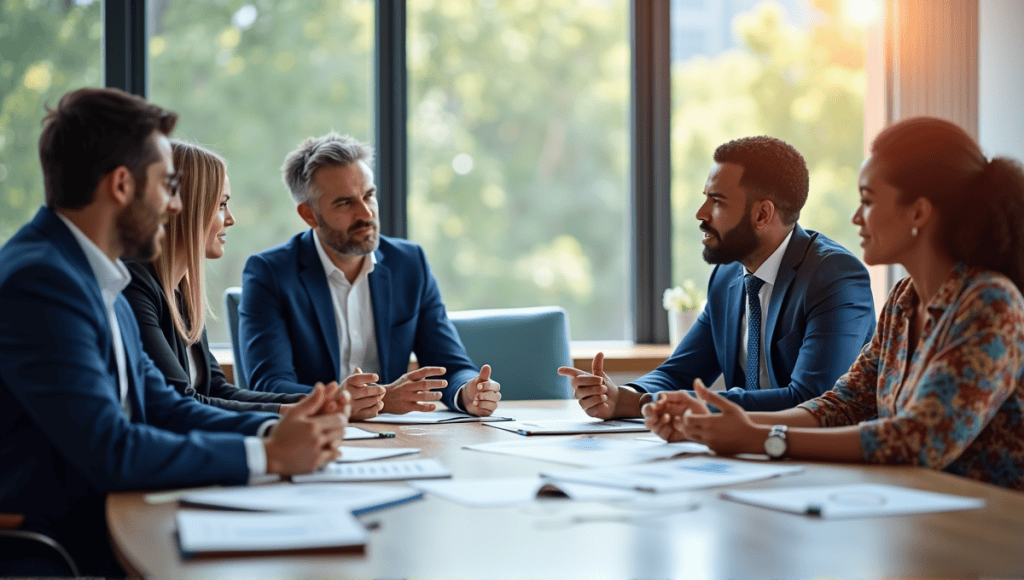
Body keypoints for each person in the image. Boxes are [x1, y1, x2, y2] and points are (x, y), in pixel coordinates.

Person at [0, 87, 349, 576]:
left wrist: (282, 430)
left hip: (118, 519)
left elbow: (163, 404)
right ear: (122, 185)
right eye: (167, 185)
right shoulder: (41, 281)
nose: (176, 205)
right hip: (58, 546)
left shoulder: (101, 277)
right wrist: (266, 455)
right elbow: (111, 449)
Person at [645, 117, 1024, 490]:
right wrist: (723, 426)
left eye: (868, 201)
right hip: (922, 514)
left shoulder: (990, 302)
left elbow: (917, 440)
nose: (856, 217)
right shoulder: (903, 302)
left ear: (919, 213)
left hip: (990, 531)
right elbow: (842, 405)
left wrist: (760, 439)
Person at [560, 136, 876, 417]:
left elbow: (812, 400)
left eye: (717, 201)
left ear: (762, 214)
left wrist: (642, 405)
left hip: (818, 466)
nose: (701, 213)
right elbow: (678, 372)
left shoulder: (834, 276)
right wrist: (622, 395)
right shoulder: (727, 277)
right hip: (743, 456)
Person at [240, 133, 501, 417]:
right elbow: (269, 384)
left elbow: (450, 364)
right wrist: (358, 400)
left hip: (396, 436)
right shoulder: (270, 274)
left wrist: (468, 391)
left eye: (369, 195)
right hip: (312, 435)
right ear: (310, 215)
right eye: (344, 203)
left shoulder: (410, 264)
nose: (366, 213)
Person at [122, 140, 381, 414]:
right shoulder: (136, 285)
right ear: (184, 208)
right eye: (221, 205)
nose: (231, 219)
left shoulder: (180, 293)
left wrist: (327, 404)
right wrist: (302, 412)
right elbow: (180, 404)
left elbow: (216, 390)